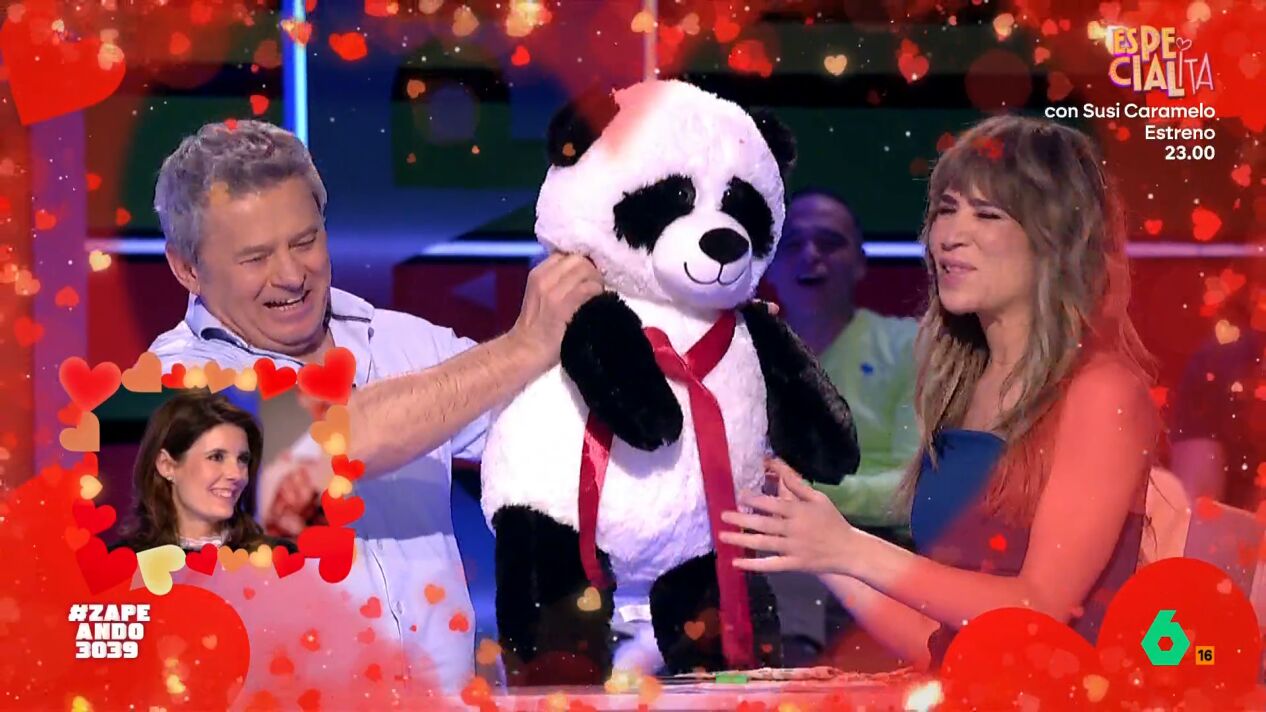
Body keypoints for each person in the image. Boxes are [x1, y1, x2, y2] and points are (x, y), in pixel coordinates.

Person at [148, 119, 604, 692]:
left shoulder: (408, 342)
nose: (291, 275)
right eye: (256, 257)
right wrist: (523, 345)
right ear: (187, 269)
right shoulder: (173, 376)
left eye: (305, 241)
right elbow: (333, 440)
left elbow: (561, 436)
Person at [719, 115, 1160, 667]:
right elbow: (942, 643)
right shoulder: (961, 385)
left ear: (1057, 240)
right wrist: (816, 544)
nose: (949, 235)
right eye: (947, 209)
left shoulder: (1102, 393)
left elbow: (1039, 608)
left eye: (987, 214)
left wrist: (852, 547)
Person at [762, 189, 919, 664]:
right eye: (792, 244)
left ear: (860, 263)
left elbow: (917, 488)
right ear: (769, 265)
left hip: (878, 541)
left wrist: (805, 499)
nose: (811, 255)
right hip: (764, 536)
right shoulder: (742, 351)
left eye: (830, 242)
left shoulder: (910, 345)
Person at [115, 389, 293, 553]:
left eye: (242, 459)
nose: (237, 474)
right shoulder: (123, 562)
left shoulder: (278, 557)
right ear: (166, 465)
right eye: (216, 457)